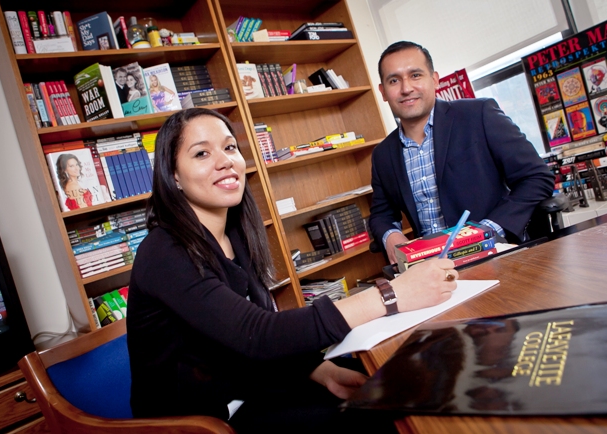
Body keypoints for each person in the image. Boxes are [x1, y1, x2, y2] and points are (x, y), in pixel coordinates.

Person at [126, 108, 459, 433]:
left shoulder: (234, 233)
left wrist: (321, 370)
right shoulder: (164, 250)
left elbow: (249, 331)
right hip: (200, 422)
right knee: (380, 418)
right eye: (202, 153)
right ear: (173, 175)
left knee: (390, 380)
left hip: (248, 386)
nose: (225, 160)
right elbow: (258, 334)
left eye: (230, 147)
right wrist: (391, 294)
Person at [369, 41, 555, 264]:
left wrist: (488, 231)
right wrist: (390, 235)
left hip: (494, 255)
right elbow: (381, 214)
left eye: (415, 75)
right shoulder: (383, 155)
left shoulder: (479, 115)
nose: (406, 88)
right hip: (431, 269)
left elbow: (536, 177)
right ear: (383, 92)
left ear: (434, 79)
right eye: (394, 80)